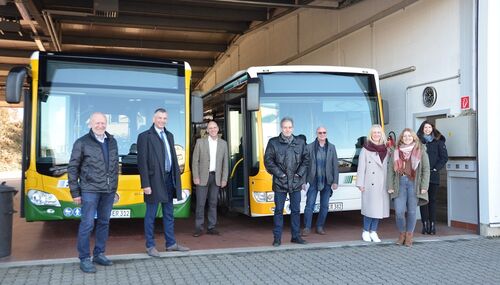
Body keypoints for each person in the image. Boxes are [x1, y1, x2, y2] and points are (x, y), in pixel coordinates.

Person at [68, 112, 119, 273]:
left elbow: (114, 166)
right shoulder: (82, 142)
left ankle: (99, 254)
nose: (100, 125)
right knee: (87, 224)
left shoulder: (112, 141)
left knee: (104, 223)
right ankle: (84, 258)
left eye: (103, 123)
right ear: (90, 124)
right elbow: (72, 168)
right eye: (97, 123)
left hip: (108, 190)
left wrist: (114, 188)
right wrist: (75, 192)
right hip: (89, 190)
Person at [137, 108, 189, 257]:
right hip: (153, 181)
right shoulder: (145, 136)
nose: (162, 120)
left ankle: (171, 244)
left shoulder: (169, 135)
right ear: (154, 119)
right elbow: (142, 163)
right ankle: (150, 246)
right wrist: (145, 184)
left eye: (164, 118)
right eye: (159, 118)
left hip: (169, 179)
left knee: (168, 213)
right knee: (151, 215)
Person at [264, 117, 310, 246]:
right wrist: (281, 175)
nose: (287, 129)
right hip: (280, 183)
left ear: (293, 128)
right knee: (279, 211)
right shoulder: (273, 143)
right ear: (281, 128)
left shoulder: (300, 142)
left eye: (289, 127)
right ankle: (277, 238)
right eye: (285, 127)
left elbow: (306, 160)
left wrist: (299, 174)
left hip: (296, 183)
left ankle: (296, 236)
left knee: (295, 210)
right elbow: (268, 161)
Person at [387, 128, 430, 247]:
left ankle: (409, 235)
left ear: (414, 138)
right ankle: (402, 234)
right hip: (399, 183)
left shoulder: (420, 150)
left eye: (409, 136)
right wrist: (390, 185)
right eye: (405, 136)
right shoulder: (395, 151)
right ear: (401, 138)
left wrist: (424, 186)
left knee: (411, 211)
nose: (407, 138)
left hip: (414, 184)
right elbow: (390, 170)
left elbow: (426, 170)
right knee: (399, 212)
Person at [192, 121, 229, 237]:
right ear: (207, 130)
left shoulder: (223, 144)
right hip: (202, 177)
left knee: (213, 203)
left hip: (216, 177)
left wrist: (224, 178)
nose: (213, 130)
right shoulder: (200, 142)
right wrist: (196, 177)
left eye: (215, 127)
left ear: (218, 129)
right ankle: (199, 228)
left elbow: (225, 163)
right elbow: (195, 161)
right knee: (200, 204)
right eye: (210, 128)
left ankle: (211, 227)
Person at [356, 125, 390, 243]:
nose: (376, 134)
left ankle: (373, 231)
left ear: (382, 134)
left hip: (382, 183)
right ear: (371, 134)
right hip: (369, 183)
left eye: (378, 133)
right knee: (369, 209)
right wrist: (360, 183)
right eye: (374, 132)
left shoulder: (387, 149)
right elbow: (361, 167)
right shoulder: (366, 149)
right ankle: (365, 231)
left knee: (378, 210)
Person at [302, 126, 339, 236]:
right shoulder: (309, 147)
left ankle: (319, 226)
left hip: (327, 181)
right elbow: (305, 165)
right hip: (313, 180)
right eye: (320, 133)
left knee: (325, 206)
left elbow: (335, 166)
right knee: (309, 205)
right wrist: (303, 181)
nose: (322, 134)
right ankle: (307, 227)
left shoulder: (332, 147)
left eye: (324, 132)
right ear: (316, 134)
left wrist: (335, 181)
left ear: (326, 133)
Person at [417, 120, 448, 235]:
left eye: (429, 127)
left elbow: (444, 158)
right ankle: (425, 224)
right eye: (425, 128)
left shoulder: (438, 141)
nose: (427, 129)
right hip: (421, 176)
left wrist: (436, 168)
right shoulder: (418, 141)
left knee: (432, 200)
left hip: (433, 175)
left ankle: (432, 225)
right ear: (422, 129)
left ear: (432, 129)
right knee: (423, 200)